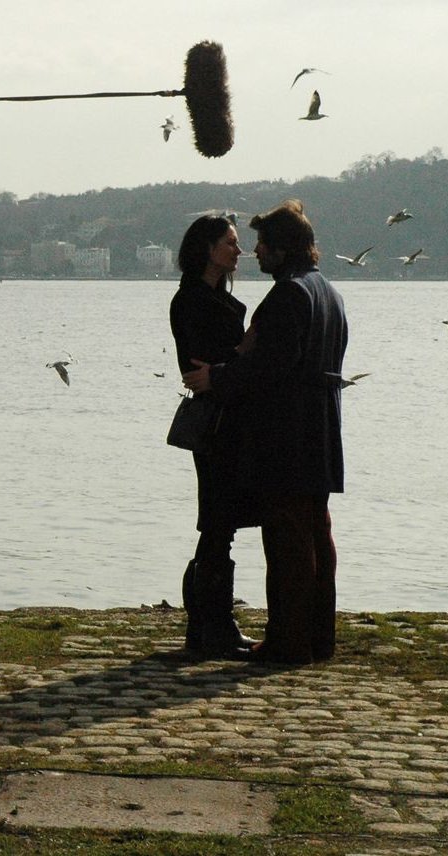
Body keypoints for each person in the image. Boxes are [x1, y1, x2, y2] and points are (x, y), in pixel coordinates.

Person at [183, 199, 347, 664]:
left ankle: (288, 642)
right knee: (318, 536)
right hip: (322, 433)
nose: (256, 251)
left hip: (288, 436)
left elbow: (273, 365)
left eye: (262, 244)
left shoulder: (290, 294)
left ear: (282, 248)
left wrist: (218, 377)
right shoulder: (328, 292)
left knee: (288, 540)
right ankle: (318, 638)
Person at [169, 215, 257, 659]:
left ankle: (207, 623)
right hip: (218, 423)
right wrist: (246, 349)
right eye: (230, 243)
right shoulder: (193, 300)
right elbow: (202, 366)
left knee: (219, 521)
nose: (238, 251)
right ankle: (213, 623)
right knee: (218, 521)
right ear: (207, 247)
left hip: (226, 418)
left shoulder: (210, 297)